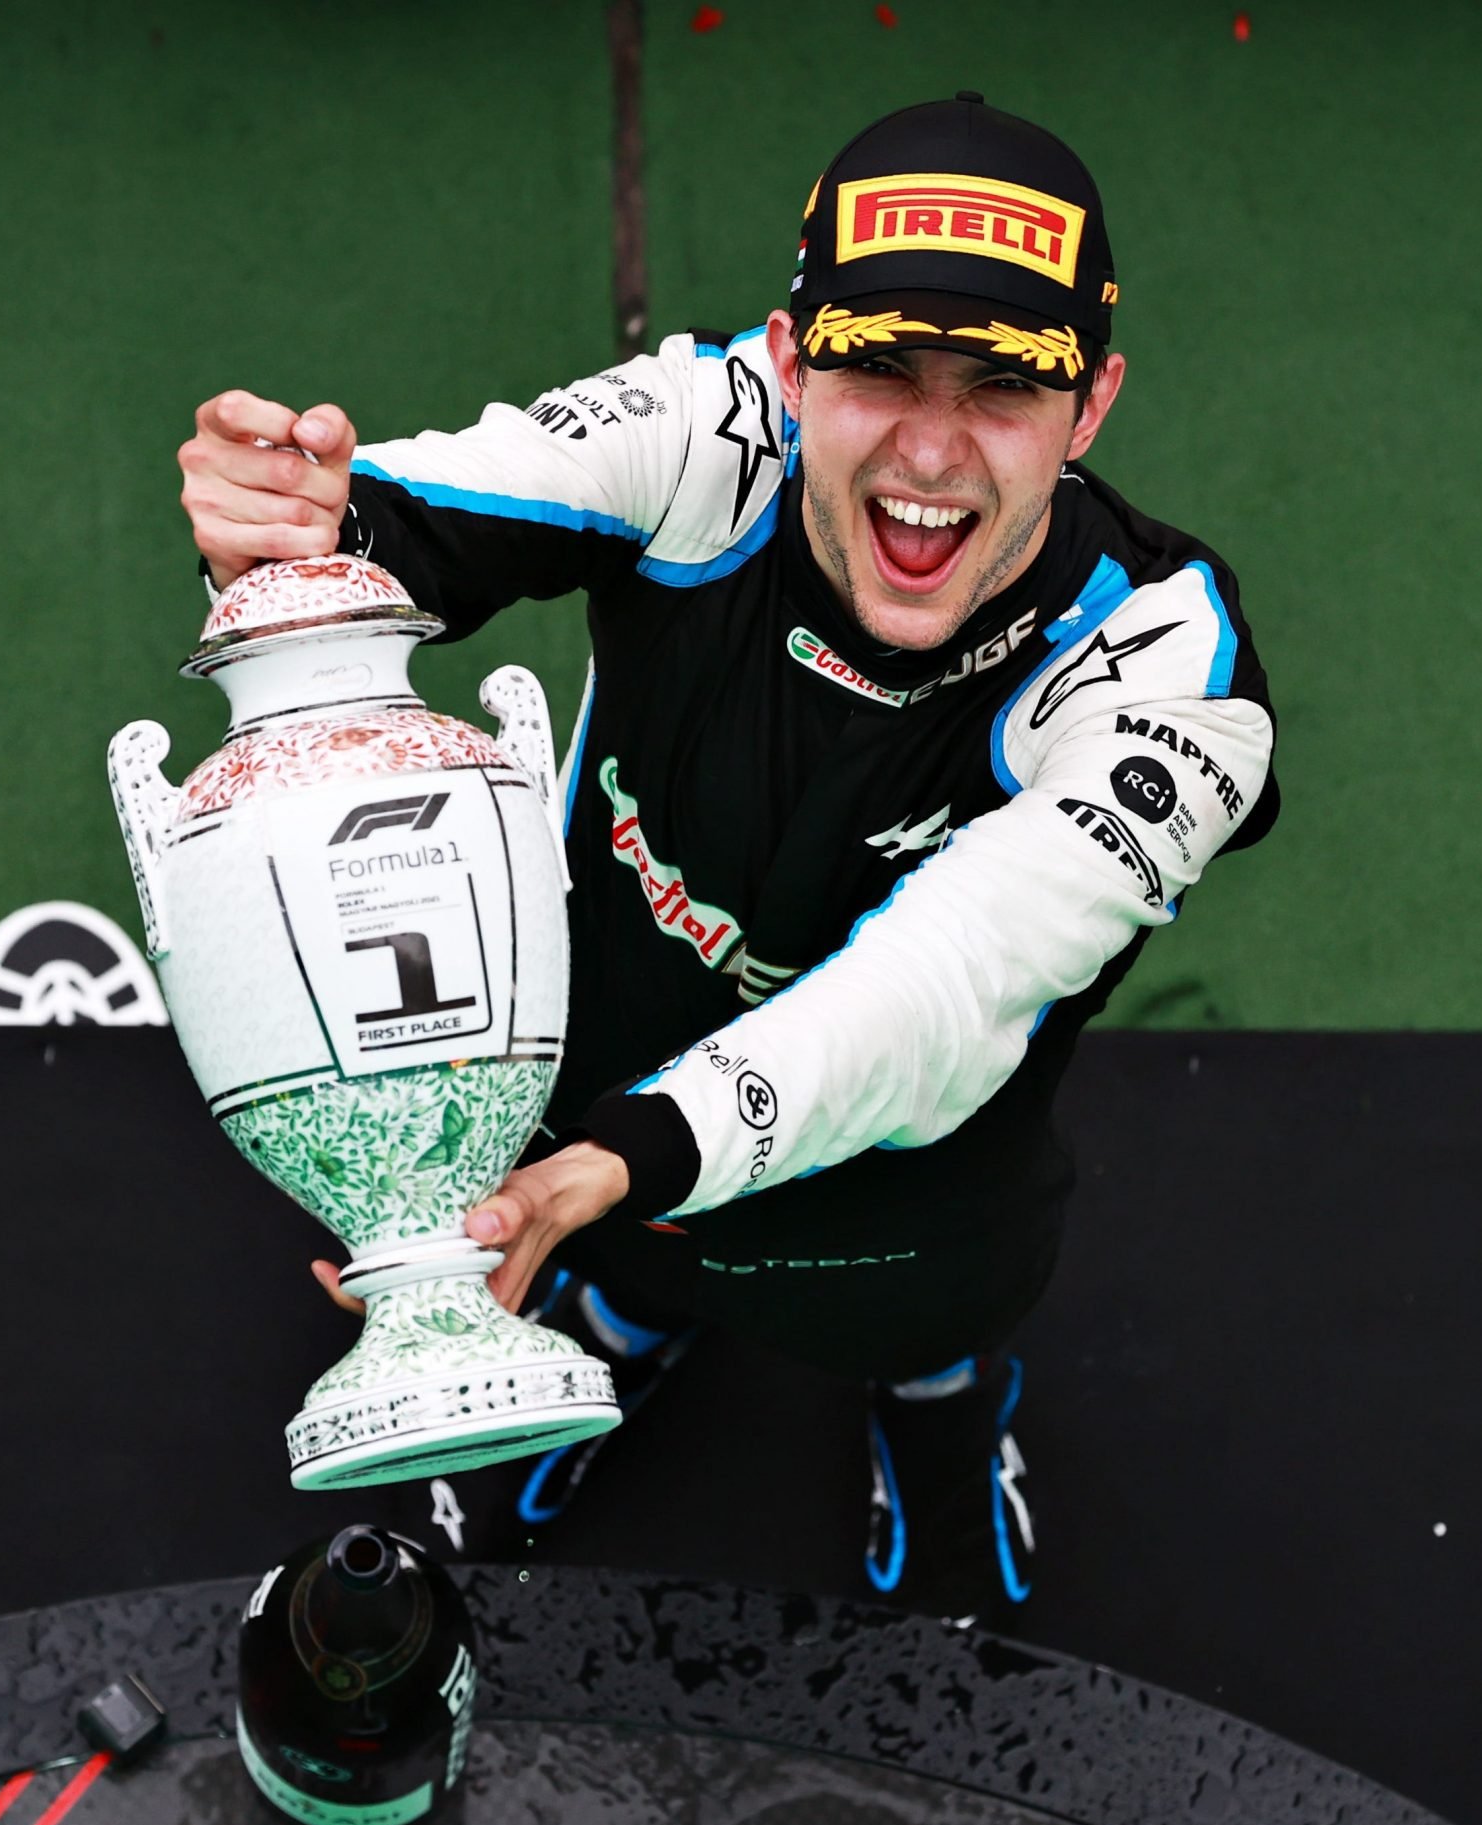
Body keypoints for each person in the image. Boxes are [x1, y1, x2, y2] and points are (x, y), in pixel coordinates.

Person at [176, 95, 1280, 1623]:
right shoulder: (705, 436)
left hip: (903, 1185)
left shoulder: (1169, 660)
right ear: (787, 359)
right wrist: (290, 519)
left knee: (926, 1326)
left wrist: (623, 1163)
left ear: (1090, 408)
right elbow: (405, 514)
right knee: (625, 1272)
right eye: (879, 366)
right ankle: (624, 1322)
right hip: (592, 1102)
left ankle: (939, 1418)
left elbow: (943, 991)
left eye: (1004, 390)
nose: (933, 452)